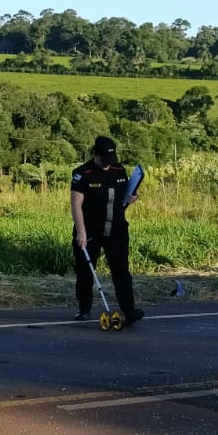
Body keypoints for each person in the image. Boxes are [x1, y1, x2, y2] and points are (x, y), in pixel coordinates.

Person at [70, 136, 143, 325]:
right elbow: (76, 205)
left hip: (116, 229)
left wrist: (131, 198)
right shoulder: (82, 173)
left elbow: (122, 200)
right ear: (95, 154)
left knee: (121, 270)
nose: (107, 164)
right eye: (104, 160)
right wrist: (81, 232)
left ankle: (129, 310)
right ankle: (84, 308)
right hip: (90, 230)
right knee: (86, 271)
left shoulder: (119, 170)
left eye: (110, 160)